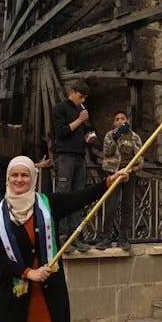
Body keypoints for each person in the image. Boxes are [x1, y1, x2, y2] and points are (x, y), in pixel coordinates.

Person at [0, 156, 129, 322]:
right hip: (13, 299)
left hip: (46, 299)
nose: (19, 179)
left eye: (25, 175)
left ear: (33, 177)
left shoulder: (46, 204)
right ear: (8, 178)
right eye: (14, 175)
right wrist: (27, 273)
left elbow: (79, 198)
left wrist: (111, 181)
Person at [51, 80, 98, 252]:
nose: (82, 99)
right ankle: (62, 238)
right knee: (64, 197)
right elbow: (61, 132)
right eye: (81, 96)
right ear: (72, 92)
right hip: (65, 157)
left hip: (80, 157)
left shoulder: (81, 111)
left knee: (77, 198)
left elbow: (87, 130)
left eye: (85, 97)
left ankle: (75, 237)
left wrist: (90, 136)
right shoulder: (60, 108)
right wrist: (79, 120)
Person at [96, 111, 143, 251]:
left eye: (123, 119)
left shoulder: (134, 137)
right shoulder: (110, 135)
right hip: (114, 173)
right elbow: (107, 153)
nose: (120, 121)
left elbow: (140, 159)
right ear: (114, 122)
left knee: (127, 206)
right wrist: (115, 137)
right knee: (111, 205)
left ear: (127, 120)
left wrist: (132, 170)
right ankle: (106, 237)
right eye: (117, 119)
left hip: (129, 173)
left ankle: (123, 237)